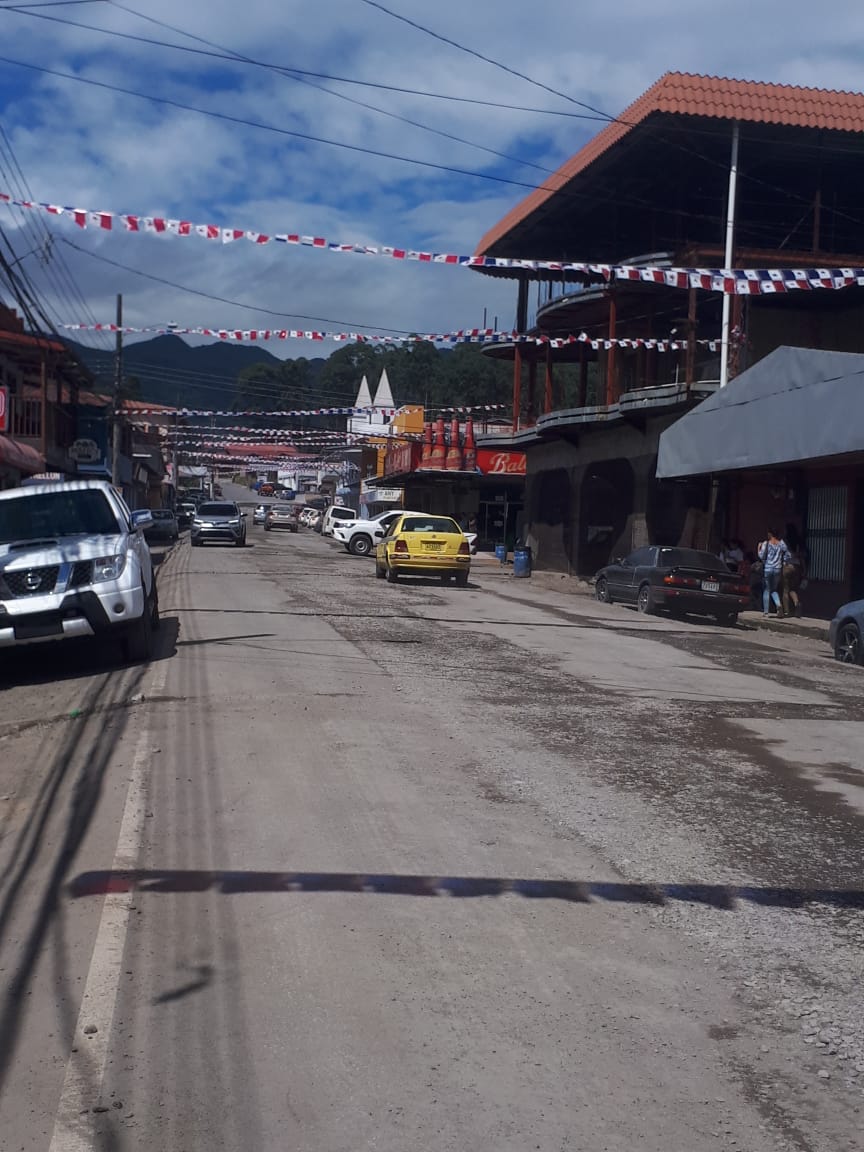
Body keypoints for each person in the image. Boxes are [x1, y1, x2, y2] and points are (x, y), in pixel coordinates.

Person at [758, 529, 791, 618]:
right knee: (774, 589)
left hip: (768, 569)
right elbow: (788, 555)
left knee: (767, 589)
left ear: (770, 534)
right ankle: (778, 604)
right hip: (777, 569)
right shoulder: (781, 544)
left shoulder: (766, 543)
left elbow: (761, 556)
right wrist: (784, 562)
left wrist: (758, 548)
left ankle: (766, 612)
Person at [782, 543, 807, 618]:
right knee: (793, 589)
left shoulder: (784, 546)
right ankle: (796, 603)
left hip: (787, 566)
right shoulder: (798, 548)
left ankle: (786, 611)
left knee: (785, 590)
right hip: (797, 568)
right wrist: (804, 571)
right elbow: (802, 560)